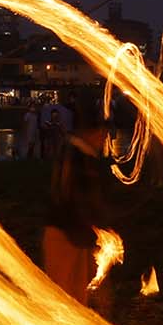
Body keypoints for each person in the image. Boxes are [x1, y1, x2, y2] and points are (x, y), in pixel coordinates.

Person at [43, 124, 113, 312]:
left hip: (74, 232)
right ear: (92, 131)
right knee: (68, 292)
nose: (104, 141)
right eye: (103, 134)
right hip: (68, 234)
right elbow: (75, 197)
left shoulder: (75, 153)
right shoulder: (77, 158)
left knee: (77, 290)